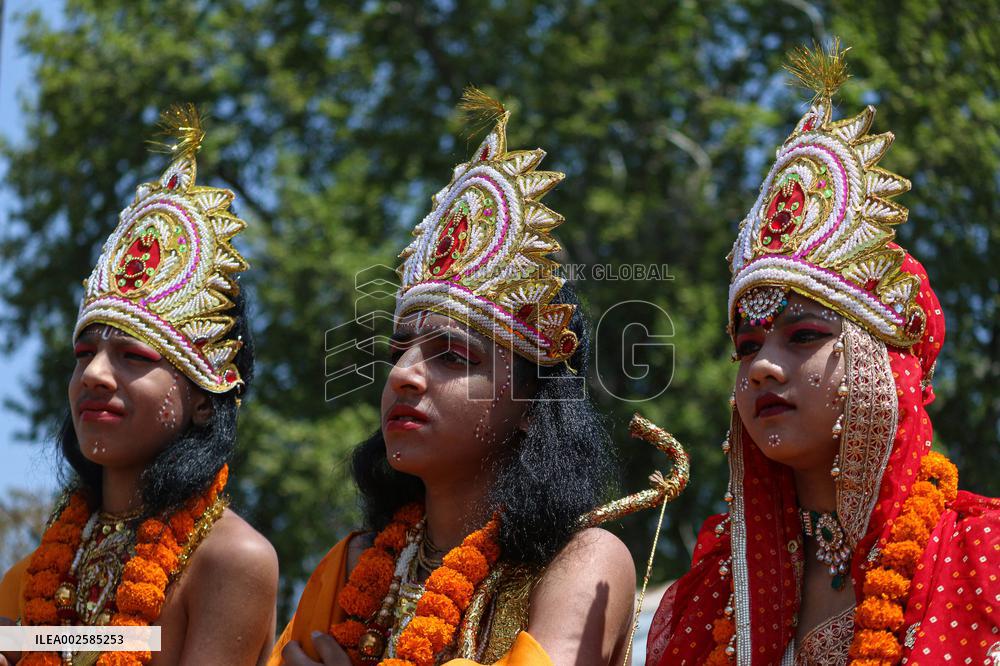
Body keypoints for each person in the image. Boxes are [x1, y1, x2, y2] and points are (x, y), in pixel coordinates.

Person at [646, 42, 1000, 665]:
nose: (761, 366)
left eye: (804, 335)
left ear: (877, 364)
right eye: (747, 346)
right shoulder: (714, 595)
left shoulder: (982, 558)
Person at [269, 90, 645, 666]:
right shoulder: (352, 565)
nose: (403, 375)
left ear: (528, 406)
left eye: (451, 356)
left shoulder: (580, 561)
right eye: (400, 350)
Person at [0, 106, 279, 666]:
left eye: (132, 355)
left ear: (204, 398)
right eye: (84, 354)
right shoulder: (34, 573)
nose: (95, 375)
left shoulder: (231, 559)